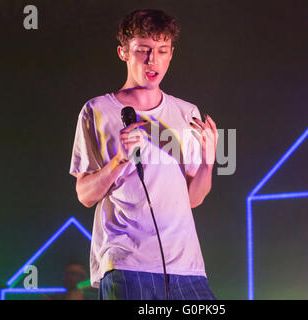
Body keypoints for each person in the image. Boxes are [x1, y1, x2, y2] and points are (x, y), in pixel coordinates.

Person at [69, 9, 218, 300]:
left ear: (171, 53)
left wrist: (208, 162)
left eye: (162, 50)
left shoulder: (186, 113)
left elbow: (193, 198)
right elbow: (85, 194)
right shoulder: (97, 110)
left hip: (187, 269)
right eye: (143, 50)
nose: (153, 61)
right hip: (127, 264)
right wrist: (119, 159)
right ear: (123, 52)